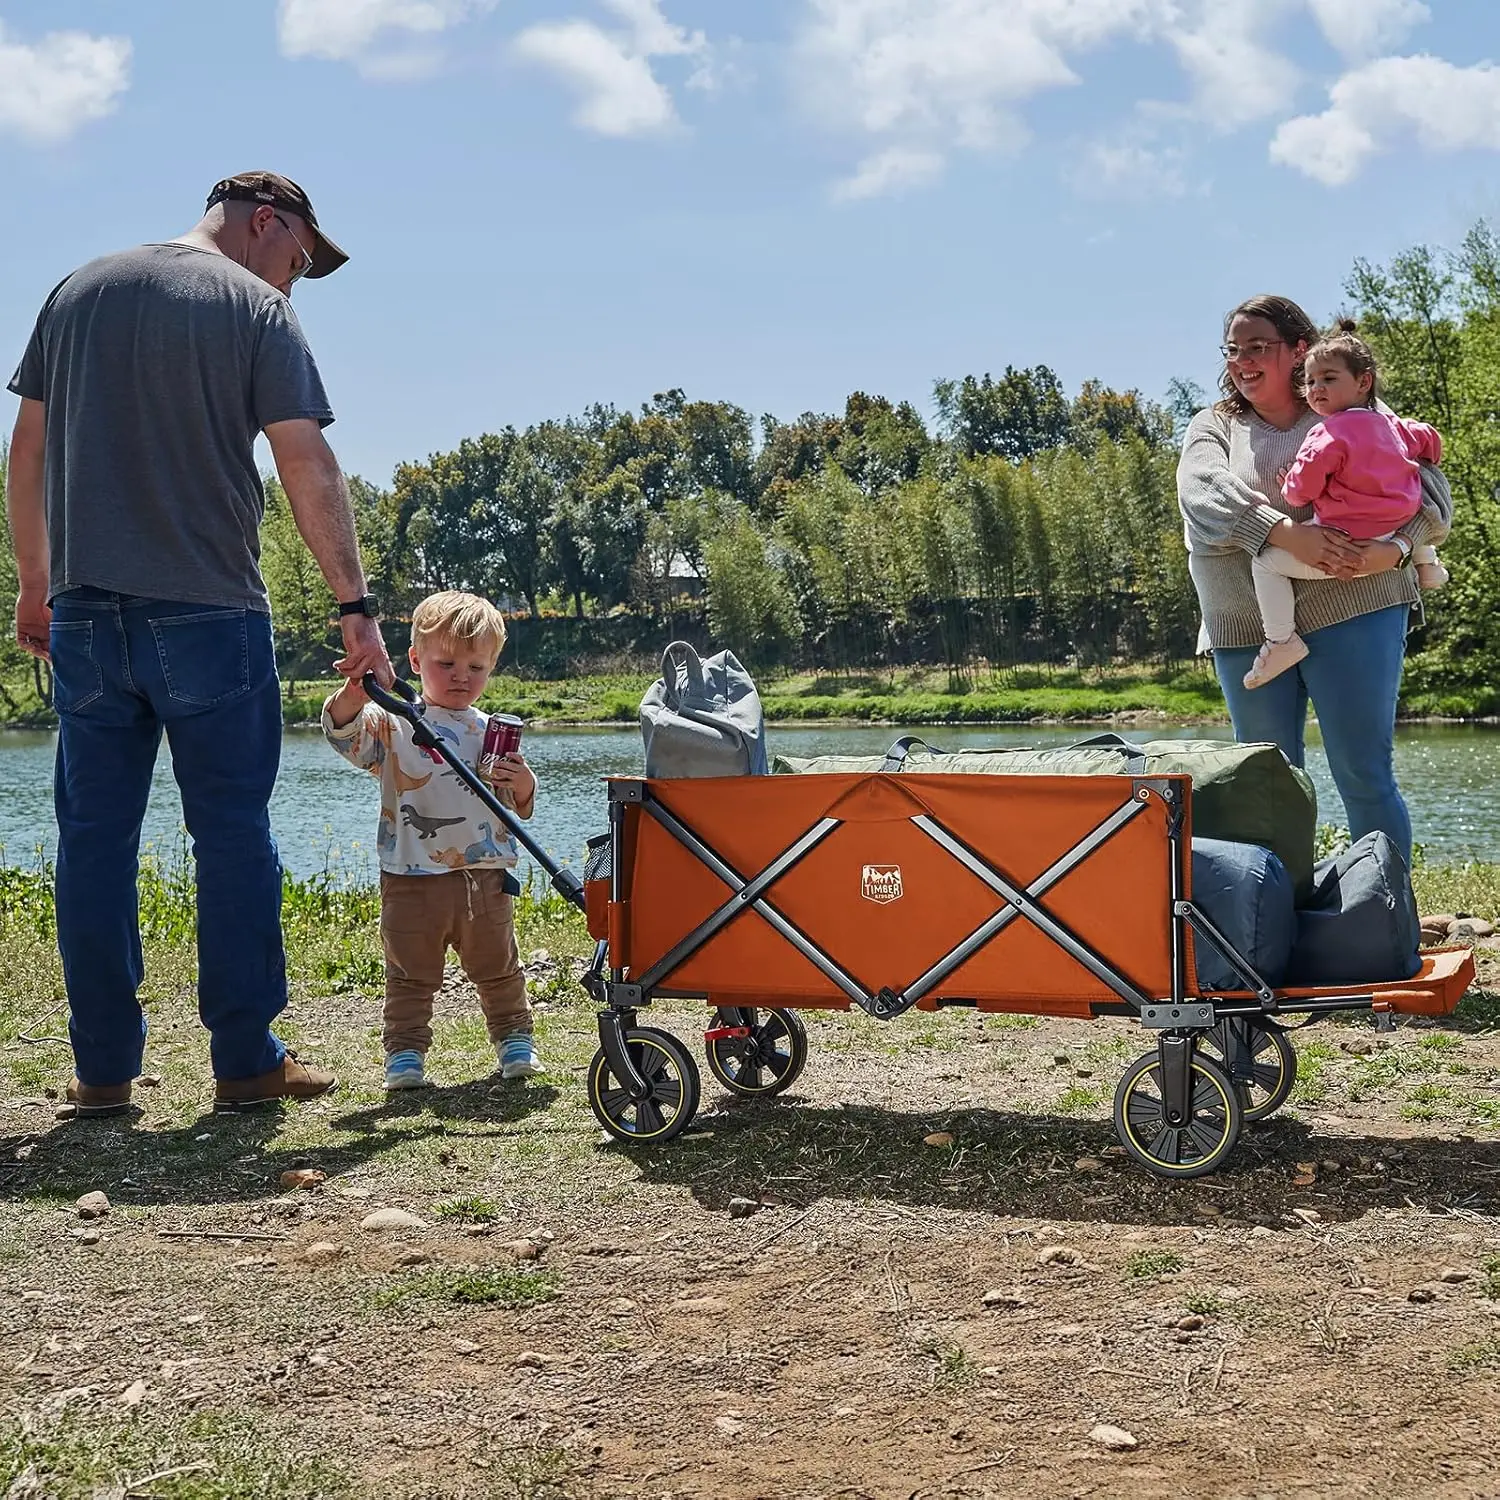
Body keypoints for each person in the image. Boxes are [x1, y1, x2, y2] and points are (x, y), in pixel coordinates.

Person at [4, 171, 395, 1118]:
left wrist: (33, 579)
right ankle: (246, 1064)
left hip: (88, 616)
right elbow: (307, 461)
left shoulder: (77, 290)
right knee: (230, 837)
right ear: (267, 221)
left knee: (92, 843)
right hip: (211, 613)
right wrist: (356, 605)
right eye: (298, 259)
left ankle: (103, 1074)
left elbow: (26, 447)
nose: (294, 282)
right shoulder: (256, 310)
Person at [1176, 294, 1452, 866]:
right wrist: (1281, 532)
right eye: (1233, 350)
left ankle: (1385, 919)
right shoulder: (1213, 426)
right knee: (1265, 784)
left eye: (1259, 347)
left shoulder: (1353, 411)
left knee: (1363, 771)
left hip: (1359, 609)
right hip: (1247, 624)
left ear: (1299, 350)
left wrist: (1395, 548)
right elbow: (1200, 498)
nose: (1242, 360)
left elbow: (1432, 499)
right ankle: (1272, 929)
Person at [321, 591, 542, 1091]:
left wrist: (522, 781)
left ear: (492, 668)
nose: (462, 676)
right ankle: (404, 1054)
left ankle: (514, 1039)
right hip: (410, 875)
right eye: (446, 664)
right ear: (416, 661)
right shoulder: (395, 722)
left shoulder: (493, 731)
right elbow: (342, 735)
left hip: (484, 874)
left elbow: (518, 804)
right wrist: (357, 691)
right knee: (409, 972)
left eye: (476, 667)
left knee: (498, 964)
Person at [1244, 320, 1448, 689]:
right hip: (1392, 535)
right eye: (1310, 382)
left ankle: (1280, 640)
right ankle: (1427, 562)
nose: (1316, 389)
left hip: (1344, 545)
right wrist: (1426, 449)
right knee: (1411, 492)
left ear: (1363, 382)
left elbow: (1299, 491)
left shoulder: (1327, 433)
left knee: (1266, 563)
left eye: (1328, 379)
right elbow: (1429, 440)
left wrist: (1288, 484)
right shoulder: (1392, 425)